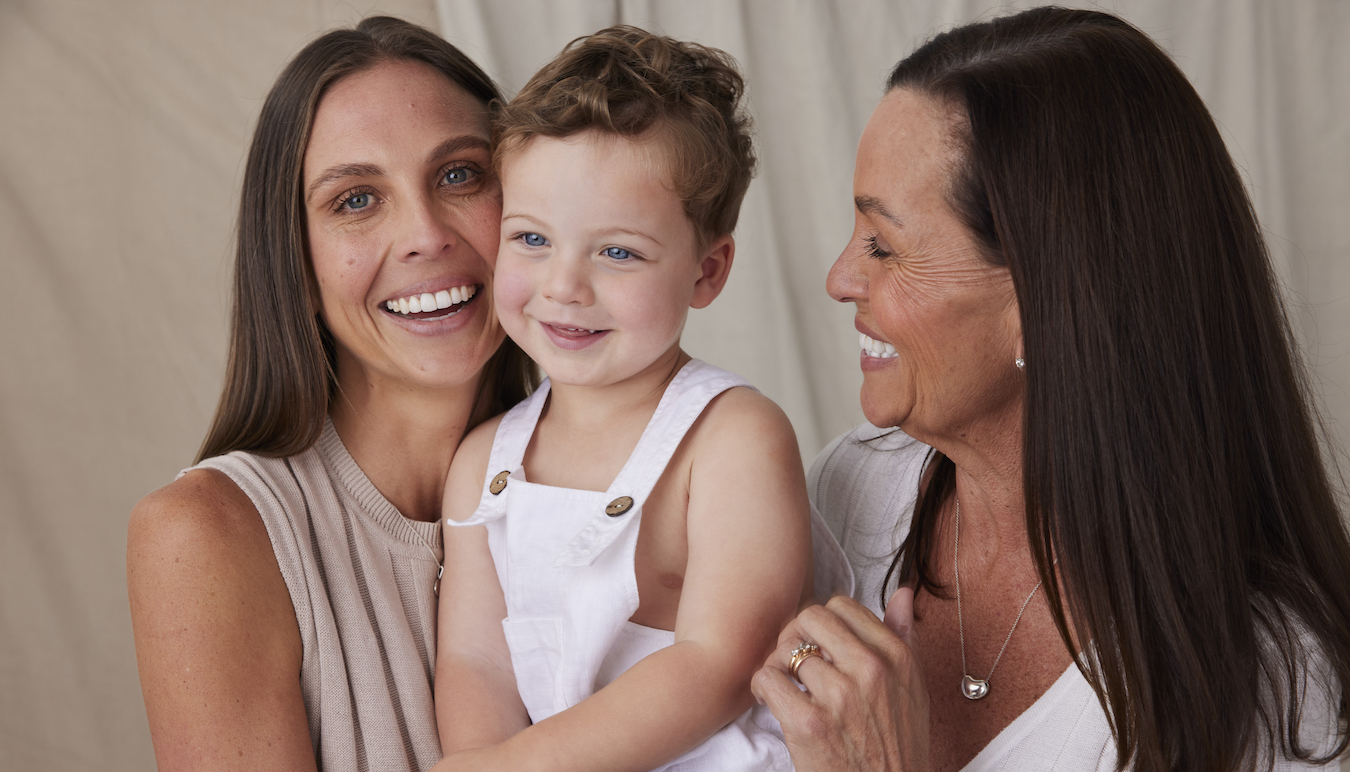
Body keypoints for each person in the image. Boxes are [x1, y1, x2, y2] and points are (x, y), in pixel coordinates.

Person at [752, 7, 1350, 772]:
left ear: (1047, 303)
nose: (841, 278)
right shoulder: (851, 489)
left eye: (884, 246)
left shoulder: (1271, 688)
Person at [126, 17, 533, 772]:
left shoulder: (638, 472)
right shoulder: (205, 537)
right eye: (355, 200)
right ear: (296, 268)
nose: (425, 234)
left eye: (459, 174)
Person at [434, 26, 812, 772]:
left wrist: (517, 769)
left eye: (617, 252)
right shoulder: (483, 461)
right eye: (532, 239)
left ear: (707, 271)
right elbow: (475, 661)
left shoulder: (733, 436)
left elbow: (719, 665)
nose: (565, 286)